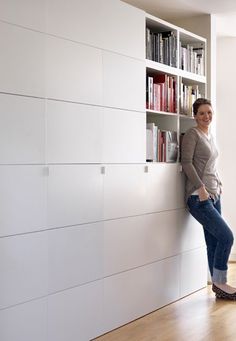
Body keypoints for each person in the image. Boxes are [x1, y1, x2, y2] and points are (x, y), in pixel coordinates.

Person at [181, 97, 236, 300]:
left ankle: (217, 285)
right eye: (202, 113)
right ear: (195, 116)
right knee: (227, 237)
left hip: (214, 193)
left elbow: (210, 164)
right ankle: (221, 282)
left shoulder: (210, 135)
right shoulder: (192, 134)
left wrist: (218, 184)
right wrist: (201, 187)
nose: (207, 116)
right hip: (199, 197)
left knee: (213, 241)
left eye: (209, 112)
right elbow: (187, 163)